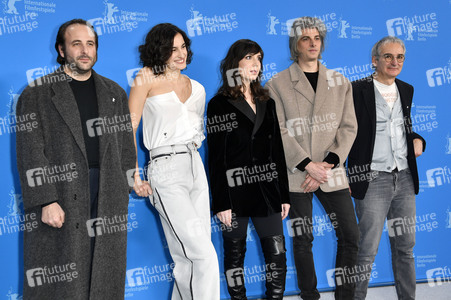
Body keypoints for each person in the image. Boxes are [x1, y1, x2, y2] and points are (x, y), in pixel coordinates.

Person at [15, 19, 136, 299]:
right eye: (76, 43)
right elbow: (30, 151)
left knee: (105, 271)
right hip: (60, 192)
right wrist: (46, 199)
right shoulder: (37, 93)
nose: (84, 50)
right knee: (61, 274)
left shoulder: (114, 93)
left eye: (90, 44)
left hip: (107, 191)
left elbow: (125, 148)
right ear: (61, 49)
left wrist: (124, 187)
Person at [266, 17, 360, 300]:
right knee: (302, 238)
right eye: (306, 39)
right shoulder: (278, 83)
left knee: (351, 236)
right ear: (296, 44)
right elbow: (278, 130)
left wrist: (327, 164)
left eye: (317, 38)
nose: (312, 43)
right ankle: (310, 295)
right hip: (297, 174)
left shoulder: (340, 81)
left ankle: (345, 296)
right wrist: (308, 165)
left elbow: (348, 127)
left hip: (331, 172)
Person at [128, 23, 220, 299]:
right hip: (164, 167)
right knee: (203, 255)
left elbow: (197, 133)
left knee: (186, 256)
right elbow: (128, 128)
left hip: (195, 165)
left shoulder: (198, 88)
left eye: (183, 47)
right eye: (172, 48)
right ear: (159, 50)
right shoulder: (145, 78)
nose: (180, 54)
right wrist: (134, 172)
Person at [207, 39, 290, 300]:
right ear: (235, 63)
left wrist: (284, 195)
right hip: (234, 194)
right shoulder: (218, 104)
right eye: (249, 58)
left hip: (267, 192)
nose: (256, 64)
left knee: (277, 254)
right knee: (234, 255)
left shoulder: (268, 101)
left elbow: (277, 151)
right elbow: (216, 158)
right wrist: (221, 202)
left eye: (259, 59)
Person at [348, 36, 425, 300]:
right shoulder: (356, 90)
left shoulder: (407, 89)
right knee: (366, 249)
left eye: (400, 57)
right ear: (375, 60)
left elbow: (404, 128)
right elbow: (346, 132)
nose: (395, 62)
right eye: (388, 56)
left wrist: (418, 139)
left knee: (405, 247)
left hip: (403, 178)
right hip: (371, 180)